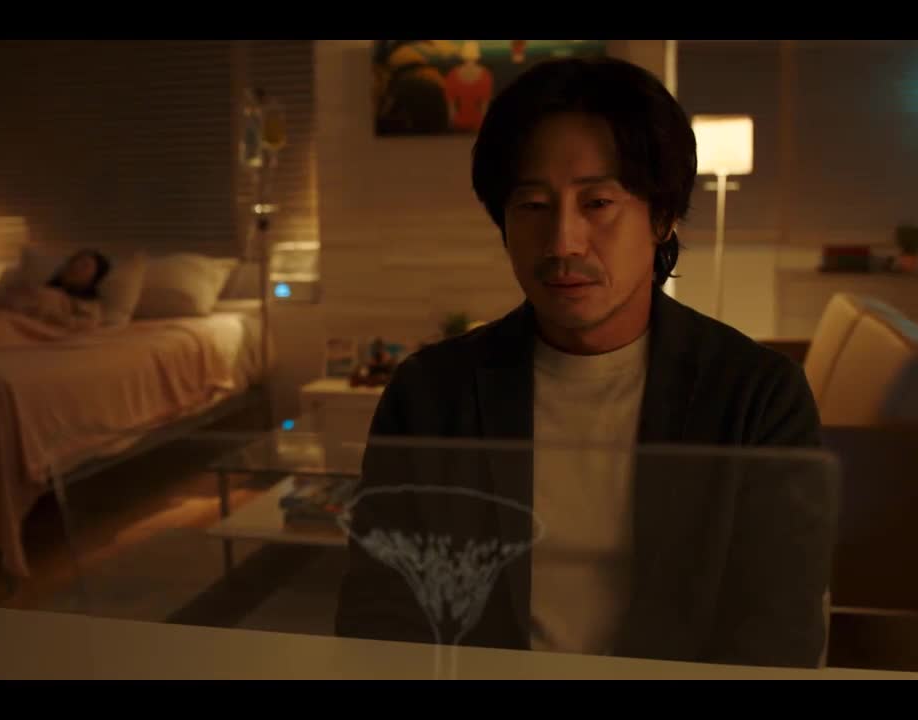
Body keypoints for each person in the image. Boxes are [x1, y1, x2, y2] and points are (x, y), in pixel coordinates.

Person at [335, 57, 837, 669]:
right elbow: (380, 615)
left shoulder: (757, 397)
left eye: (597, 202)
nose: (562, 242)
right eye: (532, 205)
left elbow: (778, 632)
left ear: (661, 217)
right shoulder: (432, 394)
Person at [0, 249, 109, 330]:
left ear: (94, 278)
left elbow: (85, 325)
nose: (76, 266)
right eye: (74, 261)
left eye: (85, 265)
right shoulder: (37, 288)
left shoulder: (88, 307)